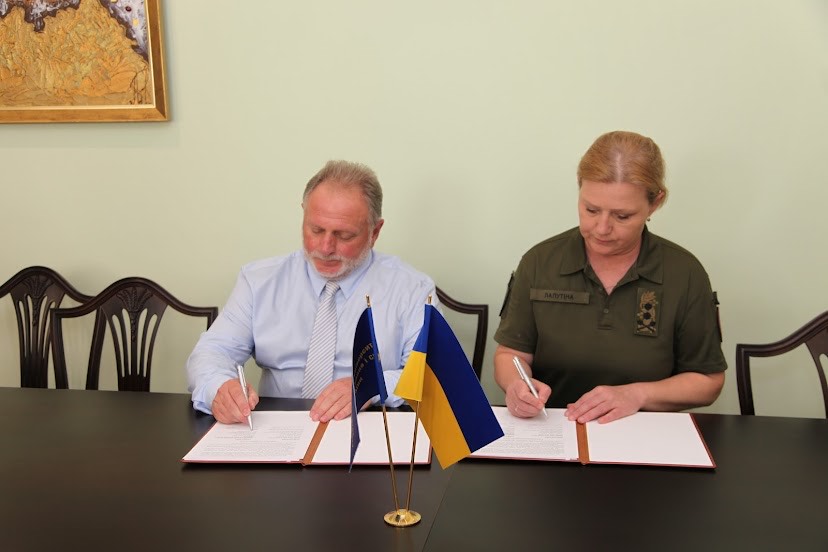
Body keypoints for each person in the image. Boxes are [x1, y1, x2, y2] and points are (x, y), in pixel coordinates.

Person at [493, 130, 726, 424]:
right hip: (553, 426)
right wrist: (516, 386)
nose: (602, 228)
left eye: (622, 216)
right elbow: (509, 355)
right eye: (591, 209)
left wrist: (637, 395)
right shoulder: (540, 263)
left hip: (644, 433)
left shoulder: (684, 273)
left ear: (655, 203)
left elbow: (708, 382)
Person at [187, 160, 437, 424]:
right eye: (316, 230)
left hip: (367, 428)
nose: (325, 247)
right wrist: (219, 388)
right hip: (275, 429)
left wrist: (372, 385)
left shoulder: (412, 289)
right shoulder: (259, 280)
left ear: (374, 232)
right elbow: (212, 351)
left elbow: (430, 375)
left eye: (344, 236)